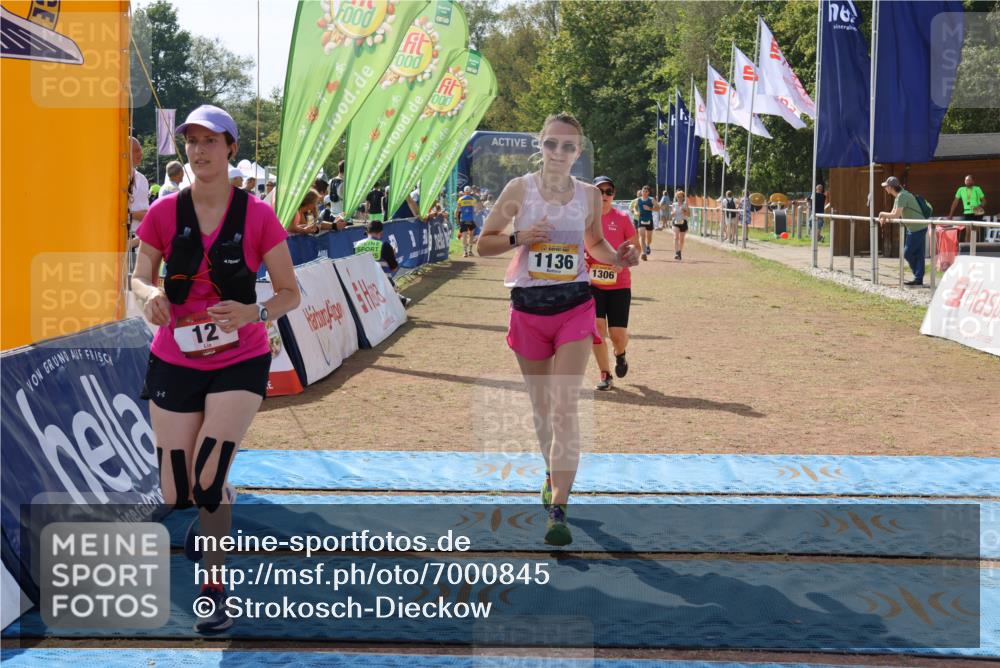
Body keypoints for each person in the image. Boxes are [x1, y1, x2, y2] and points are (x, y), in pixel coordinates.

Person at [131, 104, 299, 633]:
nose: (199, 150)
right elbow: (137, 276)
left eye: (210, 141)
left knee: (208, 478)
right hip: (175, 356)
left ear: (230, 149)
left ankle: (214, 584)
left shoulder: (258, 215)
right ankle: (211, 505)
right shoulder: (163, 211)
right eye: (192, 142)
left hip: (241, 357)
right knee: (177, 491)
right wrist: (150, 294)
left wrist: (257, 310)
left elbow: (291, 292)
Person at [476, 112, 639, 546]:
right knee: (544, 409)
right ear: (541, 145)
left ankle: (559, 507)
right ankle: (551, 473)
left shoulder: (588, 196)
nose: (559, 153)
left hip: (575, 308)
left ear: (579, 152)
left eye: (569, 147)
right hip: (528, 309)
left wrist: (618, 258)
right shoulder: (518, 190)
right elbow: (483, 244)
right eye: (552, 144)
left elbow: (595, 246)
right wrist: (520, 237)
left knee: (565, 406)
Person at [588, 176, 639, 391]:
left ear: (614, 195)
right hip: (592, 284)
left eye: (609, 191)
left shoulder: (622, 218)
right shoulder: (585, 219)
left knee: (617, 336)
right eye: (600, 191)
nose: (605, 195)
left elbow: (637, 247)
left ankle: (621, 353)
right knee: (597, 330)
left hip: (619, 285)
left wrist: (624, 261)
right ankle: (605, 374)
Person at [877, 176, 927, 286]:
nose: (885, 188)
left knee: (908, 253)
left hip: (917, 228)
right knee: (918, 254)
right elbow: (893, 214)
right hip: (914, 228)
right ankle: (918, 278)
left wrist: (881, 214)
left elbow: (895, 215)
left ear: (890, 187)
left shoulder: (902, 196)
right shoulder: (900, 196)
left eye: (886, 186)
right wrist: (885, 217)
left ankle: (918, 276)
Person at [354, 220, 412, 308]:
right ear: (381, 233)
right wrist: (393, 254)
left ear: (367, 232)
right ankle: (399, 300)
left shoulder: (357, 245)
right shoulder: (384, 245)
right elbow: (394, 268)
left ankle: (399, 299)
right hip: (382, 282)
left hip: (362, 282)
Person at [128, 137, 149, 249]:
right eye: (136, 150)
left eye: (140, 149)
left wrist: (130, 215)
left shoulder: (142, 179)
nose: (140, 153)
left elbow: (146, 215)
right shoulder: (111, 180)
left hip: (137, 243)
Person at [456, 185, 480, 257]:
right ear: (470, 192)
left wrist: (457, 219)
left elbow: (457, 211)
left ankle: (465, 252)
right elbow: (476, 210)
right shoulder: (473, 199)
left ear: (464, 192)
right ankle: (470, 251)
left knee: (464, 236)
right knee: (471, 235)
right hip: (471, 219)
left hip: (463, 220)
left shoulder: (460, 199)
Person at [635, 186, 655, 260]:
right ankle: (643, 253)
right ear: (641, 191)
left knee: (649, 238)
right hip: (641, 220)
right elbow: (635, 207)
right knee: (642, 237)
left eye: (646, 191)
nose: (644, 192)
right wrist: (636, 212)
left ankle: (648, 245)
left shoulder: (651, 200)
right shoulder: (638, 200)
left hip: (649, 220)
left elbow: (658, 208)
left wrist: (650, 208)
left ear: (648, 192)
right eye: (643, 190)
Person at [670, 189, 690, 260]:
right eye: (678, 197)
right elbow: (671, 215)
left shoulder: (685, 204)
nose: (679, 198)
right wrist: (673, 213)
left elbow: (689, 214)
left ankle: (679, 252)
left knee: (681, 240)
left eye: (681, 197)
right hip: (675, 222)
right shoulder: (674, 204)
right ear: (676, 197)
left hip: (683, 222)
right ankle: (676, 252)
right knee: (676, 237)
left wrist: (684, 211)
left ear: (683, 197)